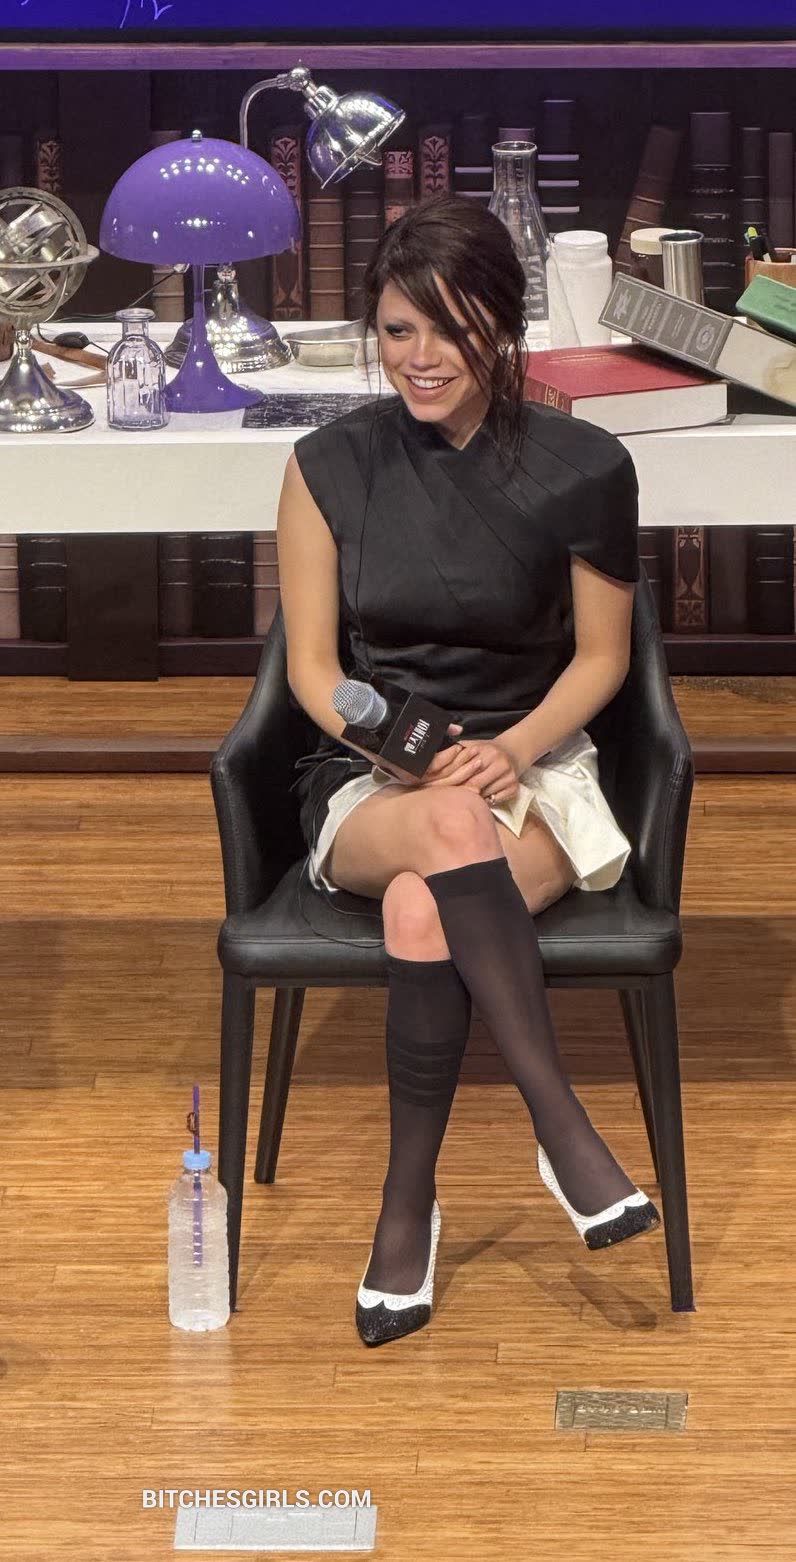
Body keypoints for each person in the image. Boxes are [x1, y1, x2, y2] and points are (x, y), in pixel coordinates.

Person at [277, 192, 660, 1348]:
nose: (421, 356)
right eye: (398, 329)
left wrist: (513, 748)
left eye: (449, 327)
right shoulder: (326, 465)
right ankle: (561, 1126)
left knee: (420, 910)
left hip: (536, 769)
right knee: (439, 826)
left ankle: (406, 1206)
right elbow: (311, 670)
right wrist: (391, 750)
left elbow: (601, 660)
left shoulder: (586, 465)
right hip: (372, 781)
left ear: (502, 320)